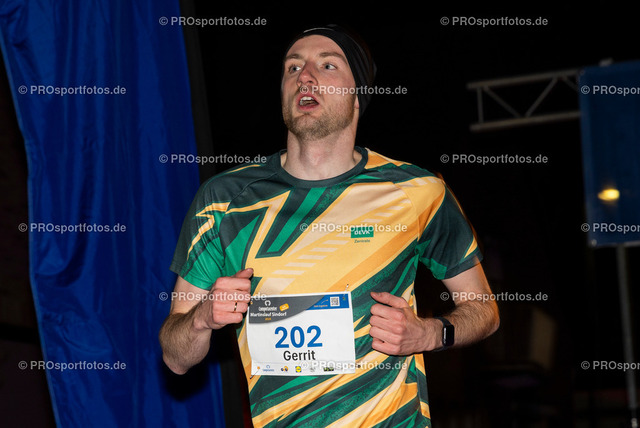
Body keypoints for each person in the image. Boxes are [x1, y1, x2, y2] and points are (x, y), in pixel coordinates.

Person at [159, 24, 500, 427]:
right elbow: (175, 357)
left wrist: (428, 334)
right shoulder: (223, 200)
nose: (305, 76)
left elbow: (485, 310)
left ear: (358, 95)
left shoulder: (417, 191)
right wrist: (202, 318)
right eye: (293, 68)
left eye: (327, 65)